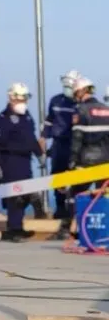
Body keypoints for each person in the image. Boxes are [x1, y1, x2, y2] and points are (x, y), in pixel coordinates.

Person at [0, 82, 43, 242]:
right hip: (10, 161)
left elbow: (31, 138)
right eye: (21, 98)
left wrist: (39, 154)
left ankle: (17, 226)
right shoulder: (3, 119)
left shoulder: (27, 116)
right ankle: (13, 229)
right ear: (12, 98)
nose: (23, 102)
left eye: (25, 99)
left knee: (25, 195)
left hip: (25, 160)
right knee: (15, 196)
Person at [62, 78, 109, 235]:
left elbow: (77, 139)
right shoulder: (106, 109)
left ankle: (74, 229)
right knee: (103, 195)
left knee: (75, 194)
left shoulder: (80, 110)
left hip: (86, 161)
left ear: (81, 92)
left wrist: (72, 162)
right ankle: (101, 231)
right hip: (106, 162)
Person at [45, 70, 82, 226]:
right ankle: (60, 208)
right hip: (58, 144)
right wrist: (44, 141)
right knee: (58, 177)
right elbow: (49, 122)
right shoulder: (56, 101)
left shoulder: (80, 104)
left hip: (75, 145)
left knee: (75, 178)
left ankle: (74, 210)